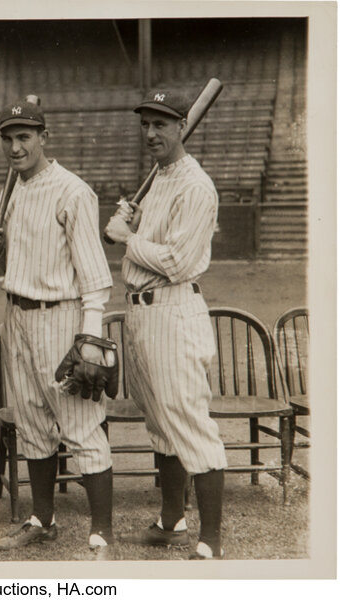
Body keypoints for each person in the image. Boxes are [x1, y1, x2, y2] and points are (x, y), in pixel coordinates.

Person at [0, 97, 116, 559]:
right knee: (33, 422)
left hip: (60, 315)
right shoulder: (12, 188)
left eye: (24, 137)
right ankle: (42, 519)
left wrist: (90, 340)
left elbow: (96, 279)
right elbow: (29, 256)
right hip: (16, 314)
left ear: (44, 137)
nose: (16, 147)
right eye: (9, 138)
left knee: (79, 424)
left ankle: (101, 533)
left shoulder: (73, 191)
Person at [104, 89, 227, 560]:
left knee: (189, 421)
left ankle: (210, 539)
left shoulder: (196, 185)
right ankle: (172, 518)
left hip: (175, 310)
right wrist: (133, 220)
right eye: (146, 124)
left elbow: (178, 261)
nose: (151, 133)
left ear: (182, 127)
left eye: (162, 124)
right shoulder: (158, 178)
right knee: (159, 419)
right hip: (142, 313)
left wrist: (127, 237)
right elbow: (153, 241)